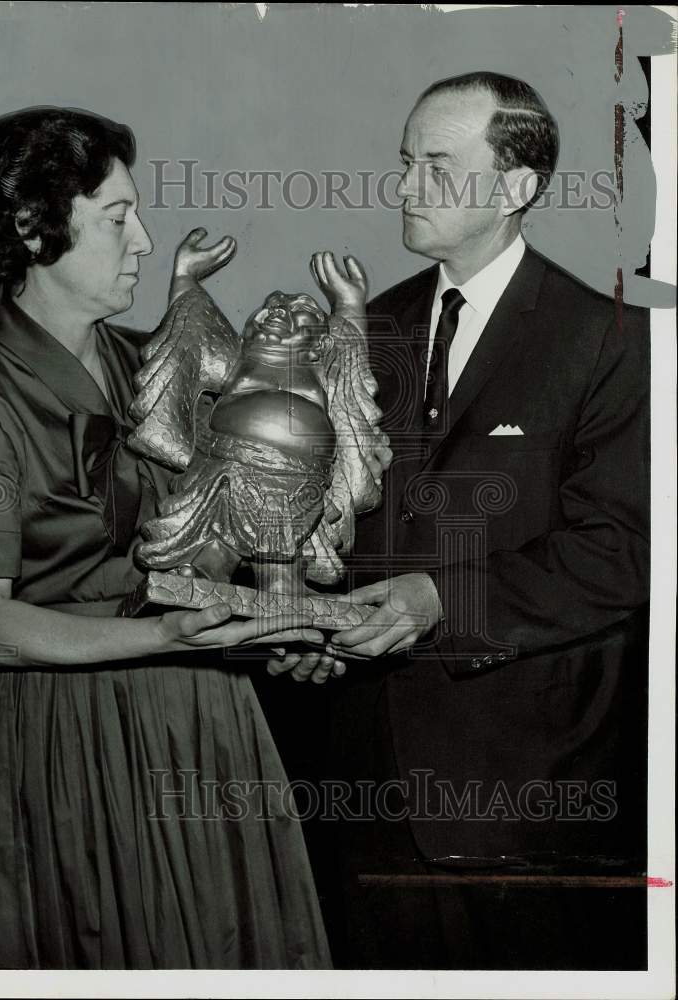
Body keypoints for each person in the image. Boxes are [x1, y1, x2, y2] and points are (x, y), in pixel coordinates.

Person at [0, 107, 336, 969]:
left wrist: (287, 624)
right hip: (63, 744)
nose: (143, 240)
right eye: (116, 216)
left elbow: (227, 543)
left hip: (209, 726)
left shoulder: (161, 362)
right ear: (32, 228)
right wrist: (162, 634)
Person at [270, 72, 650, 969]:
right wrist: (319, 625)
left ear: (517, 188)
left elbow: (623, 554)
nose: (403, 188)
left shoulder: (609, 341)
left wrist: (439, 602)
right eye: (404, 164)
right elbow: (347, 520)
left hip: (530, 795)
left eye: (437, 167)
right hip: (362, 784)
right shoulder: (369, 327)